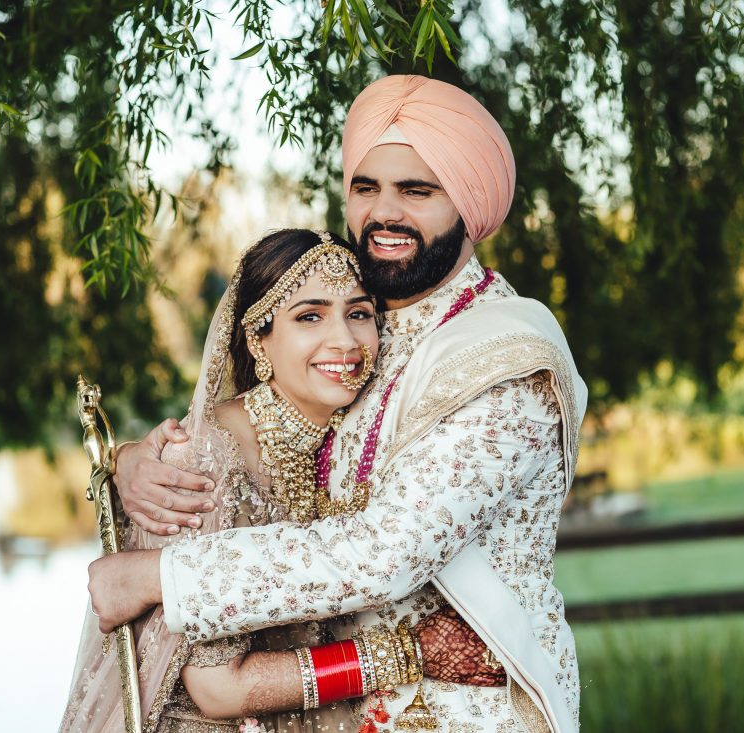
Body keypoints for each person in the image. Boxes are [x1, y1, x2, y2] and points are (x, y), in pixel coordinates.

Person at [91, 75, 588, 733]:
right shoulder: (361, 325)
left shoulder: (504, 359)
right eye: (366, 187)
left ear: (470, 203)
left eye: (417, 190)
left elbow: (385, 553)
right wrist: (132, 467)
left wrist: (160, 576)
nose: (385, 213)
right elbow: (259, 436)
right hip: (339, 707)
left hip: (471, 707)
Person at [62, 229, 502, 733]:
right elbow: (217, 687)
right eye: (309, 316)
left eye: (358, 313)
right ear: (258, 338)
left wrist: (122, 457)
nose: (344, 339)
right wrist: (406, 653)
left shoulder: (349, 434)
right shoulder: (208, 459)